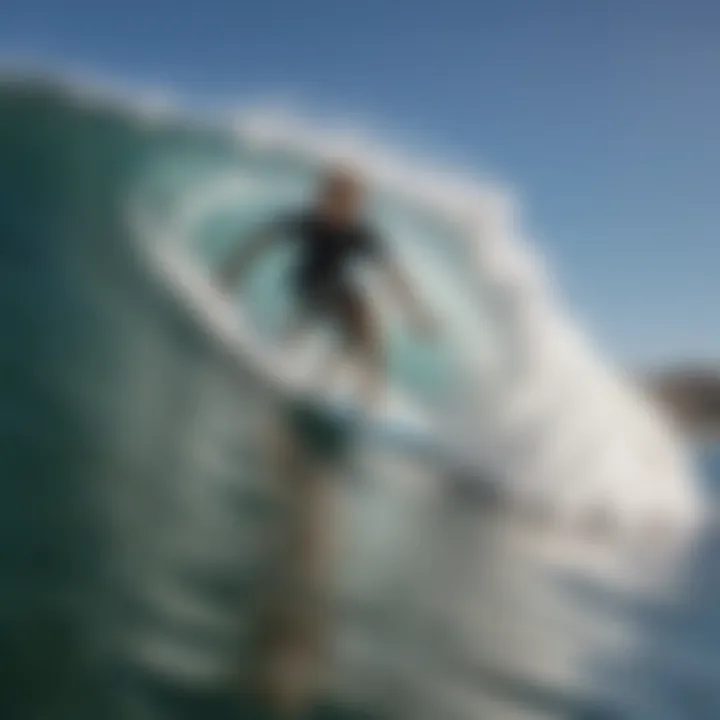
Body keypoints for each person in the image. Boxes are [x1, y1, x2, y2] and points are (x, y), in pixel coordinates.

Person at [217, 165, 434, 412]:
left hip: (338, 288)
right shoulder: (308, 222)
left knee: (363, 326)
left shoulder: (360, 234)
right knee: (344, 312)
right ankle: (285, 365)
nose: (339, 208)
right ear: (324, 197)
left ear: (357, 206)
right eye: (334, 198)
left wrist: (416, 313)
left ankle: (365, 395)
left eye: (349, 202)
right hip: (308, 283)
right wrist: (231, 271)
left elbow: (393, 275)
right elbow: (262, 241)